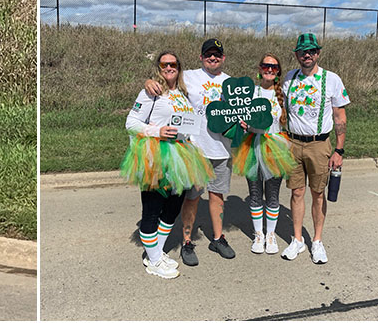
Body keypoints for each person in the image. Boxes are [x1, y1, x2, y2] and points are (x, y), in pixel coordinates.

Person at [122, 51, 213, 279]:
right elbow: (131, 123)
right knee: (152, 209)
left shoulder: (182, 93)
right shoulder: (151, 92)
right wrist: (157, 132)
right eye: (165, 64)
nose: (169, 67)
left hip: (182, 156)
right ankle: (153, 261)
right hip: (156, 155)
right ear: (159, 67)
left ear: (179, 67)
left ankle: (156, 253)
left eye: (173, 64)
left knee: (173, 208)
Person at [144, 38, 235, 265]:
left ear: (223, 58)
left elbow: (240, 113)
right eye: (208, 54)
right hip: (196, 149)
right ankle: (187, 242)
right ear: (201, 57)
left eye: (217, 54)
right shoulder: (190, 77)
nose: (212, 58)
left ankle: (218, 238)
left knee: (217, 196)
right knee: (192, 198)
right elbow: (166, 77)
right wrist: (148, 82)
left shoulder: (232, 83)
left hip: (222, 149)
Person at [279, 33, 349, 264]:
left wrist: (338, 151)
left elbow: (340, 116)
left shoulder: (331, 79)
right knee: (296, 192)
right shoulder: (289, 78)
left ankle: (317, 241)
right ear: (296, 54)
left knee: (318, 194)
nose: (306, 55)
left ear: (317, 53)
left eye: (311, 51)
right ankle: (298, 239)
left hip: (319, 144)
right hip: (294, 143)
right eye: (302, 51)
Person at [229, 54, 296, 255]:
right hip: (251, 146)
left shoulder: (283, 94)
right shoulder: (250, 92)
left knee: (273, 195)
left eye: (274, 67)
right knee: (256, 193)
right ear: (259, 68)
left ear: (278, 72)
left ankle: (271, 235)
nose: (269, 69)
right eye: (266, 66)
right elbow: (235, 110)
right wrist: (241, 123)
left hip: (274, 146)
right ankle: (259, 234)